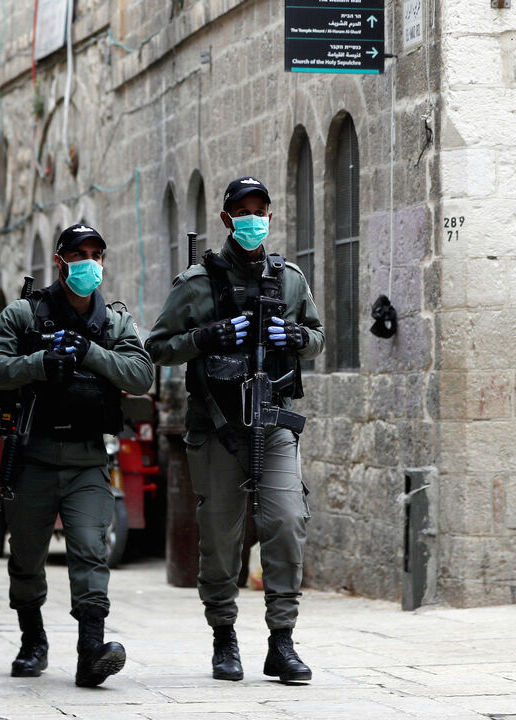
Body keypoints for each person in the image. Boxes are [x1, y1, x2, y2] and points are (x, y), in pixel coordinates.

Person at [146, 176, 325, 683]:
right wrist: (208, 336)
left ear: (270, 216)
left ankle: (282, 641)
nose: (253, 219)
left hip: (273, 424)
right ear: (226, 219)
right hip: (219, 427)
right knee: (221, 536)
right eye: (243, 211)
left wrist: (295, 335)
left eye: (260, 211)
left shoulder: (288, 278)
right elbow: (157, 348)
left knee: (287, 522)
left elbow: (316, 337)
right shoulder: (196, 283)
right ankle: (224, 636)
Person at [0, 224, 153, 687]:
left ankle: (89, 653)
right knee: (27, 556)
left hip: (87, 460)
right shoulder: (23, 314)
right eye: (79, 254)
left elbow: (140, 375)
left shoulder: (113, 323)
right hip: (32, 457)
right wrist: (38, 364)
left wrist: (90, 352)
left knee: (91, 552)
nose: (89, 263)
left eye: (97, 254)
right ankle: (32, 641)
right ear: (60, 261)